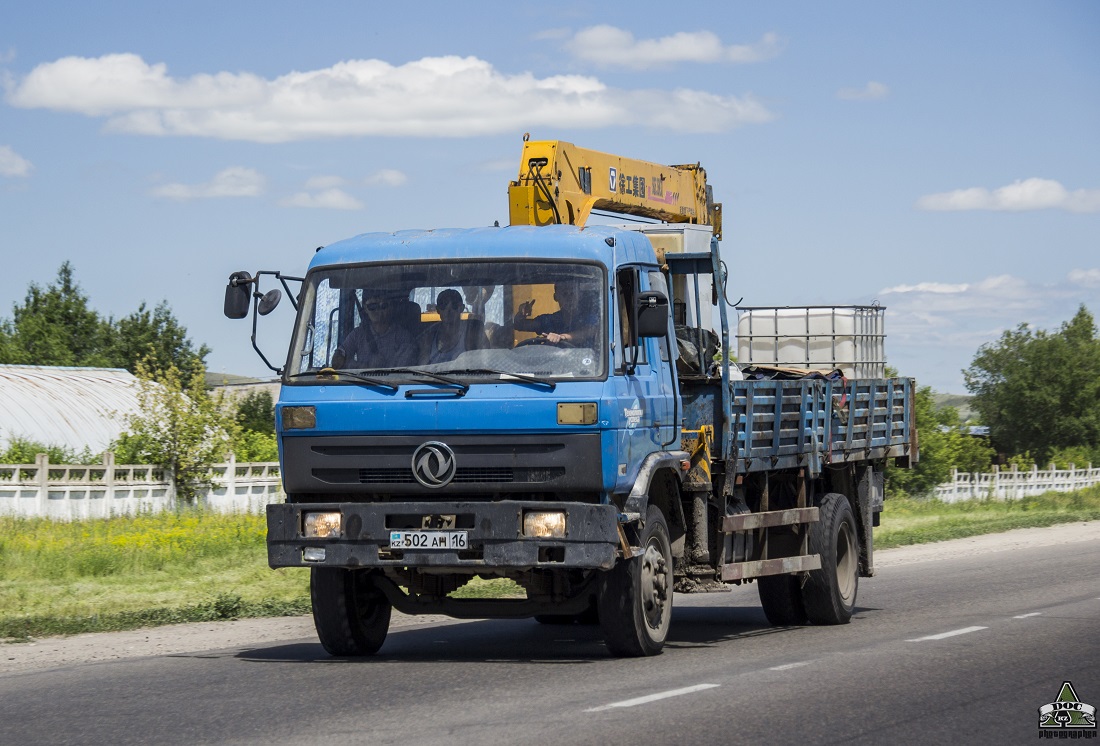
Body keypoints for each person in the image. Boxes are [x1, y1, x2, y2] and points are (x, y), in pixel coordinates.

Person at [331, 293, 417, 368]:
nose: (378, 311)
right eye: (372, 307)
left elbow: (404, 370)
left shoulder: (403, 336)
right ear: (365, 308)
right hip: (361, 382)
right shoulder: (357, 335)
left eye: (383, 306)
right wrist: (364, 367)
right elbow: (337, 361)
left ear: (390, 307)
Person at [512, 281, 597, 346]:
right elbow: (519, 325)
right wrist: (522, 313)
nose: (569, 298)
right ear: (556, 297)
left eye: (572, 293)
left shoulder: (589, 318)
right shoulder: (549, 320)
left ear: (579, 296)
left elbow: (588, 332)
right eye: (565, 294)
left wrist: (562, 337)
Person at [418, 289, 485, 364]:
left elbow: (482, 364)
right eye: (443, 305)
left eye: (454, 305)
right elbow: (421, 367)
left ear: (462, 308)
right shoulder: (429, 336)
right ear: (438, 310)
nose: (448, 310)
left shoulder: (472, 333)